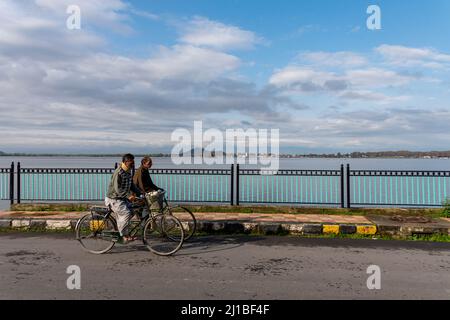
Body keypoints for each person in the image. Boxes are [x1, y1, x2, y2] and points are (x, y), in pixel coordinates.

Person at [105, 153, 141, 242]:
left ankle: (123, 230)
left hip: (121, 199)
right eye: (131, 162)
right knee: (126, 213)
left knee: (132, 211)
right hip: (114, 199)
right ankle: (123, 235)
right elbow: (118, 189)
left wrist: (139, 193)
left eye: (133, 162)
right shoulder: (119, 172)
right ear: (125, 162)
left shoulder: (128, 171)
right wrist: (129, 196)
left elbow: (131, 184)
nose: (133, 164)